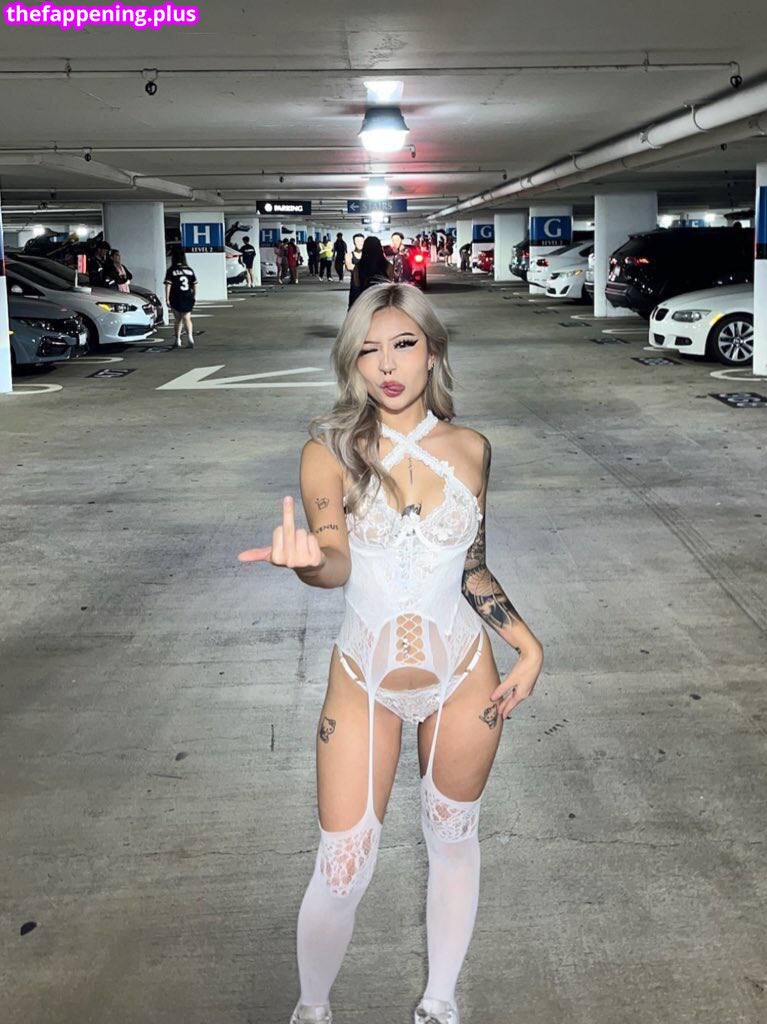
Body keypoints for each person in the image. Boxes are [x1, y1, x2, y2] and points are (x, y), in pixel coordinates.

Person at [237, 283, 544, 1024]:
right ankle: (312, 1009)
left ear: (432, 351)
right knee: (342, 867)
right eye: (367, 351)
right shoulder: (329, 452)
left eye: (403, 344)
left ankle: (439, 1003)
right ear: (352, 364)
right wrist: (308, 562)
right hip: (363, 677)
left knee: (453, 840)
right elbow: (336, 561)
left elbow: (472, 567)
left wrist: (527, 645)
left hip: (464, 671)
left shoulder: (472, 450)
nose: (386, 366)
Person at [163, 246, 197, 348]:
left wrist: (167, 298)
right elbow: (194, 284)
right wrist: (193, 296)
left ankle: (178, 339)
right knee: (187, 318)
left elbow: (168, 285)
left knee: (178, 319)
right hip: (187, 296)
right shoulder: (189, 270)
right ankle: (190, 337)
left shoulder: (171, 270)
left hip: (175, 296)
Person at [348, 234, 393, 308]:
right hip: (382, 302)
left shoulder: (358, 267)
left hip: (364, 303)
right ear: (380, 248)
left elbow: (356, 286)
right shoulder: (388, 266)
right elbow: (390, 283)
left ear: (365, 249)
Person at [344, 233, 365, 307]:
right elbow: (349, 266)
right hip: (355, 286)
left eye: (361, 241)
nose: (360, 243)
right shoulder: (349, 255)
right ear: (354, 243)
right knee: (353, 307)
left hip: (367, 286)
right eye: (357, 241)